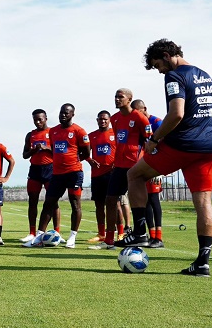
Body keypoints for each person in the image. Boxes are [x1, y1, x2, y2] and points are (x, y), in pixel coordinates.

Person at [126, 39, 212, 277]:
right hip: (209, 146)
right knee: (203, 203)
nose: (159, 71)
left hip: (183, 145)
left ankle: (139, 233)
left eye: (158, 65)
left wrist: (154, 140)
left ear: (167, 56)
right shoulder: (205, 75)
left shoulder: (175, 76)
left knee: (134, 174)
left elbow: (176, 114)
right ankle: (202, 263)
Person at [24, 104, 90, 249]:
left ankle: (72, 237)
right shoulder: (53, 132)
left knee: (75, 203)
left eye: (66, 113)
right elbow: (54, 149)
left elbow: (86, 153)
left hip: (74, 172)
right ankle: (39, 237)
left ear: (73, 114)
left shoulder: (79, 131)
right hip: (57, 173)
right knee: (49, 203)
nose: (63, 115)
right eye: (61, 112)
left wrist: (74, 159)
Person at [103, 89, 151, 250]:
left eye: (120, 97)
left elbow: (149, 140)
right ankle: (109, 239)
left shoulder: (139, 117)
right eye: (115, 96)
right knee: (110, 199)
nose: (117, 99)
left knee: (138, 200)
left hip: (135, 166)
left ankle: (143, 233)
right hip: (119, 165)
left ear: (129, 99)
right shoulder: (115, 119)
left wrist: (148, 162)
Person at [131, 98, 165, 247]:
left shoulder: (157, 122)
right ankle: (150, 236)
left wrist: (160, 169)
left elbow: (166, 142)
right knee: (144, 202)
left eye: (138, 112)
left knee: (154, 199)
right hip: (143, 165)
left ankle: (158, 237)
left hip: (156, 166)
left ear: (144, 108)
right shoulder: (138, 124)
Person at [21, 109, 53, 243]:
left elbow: (60, 151)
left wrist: (47, 148)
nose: (38, 122)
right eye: (35, 120)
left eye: (40, 119)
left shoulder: (53, 133)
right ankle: (32, 232)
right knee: (32, 201)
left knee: (52, 202)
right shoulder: (30, 135)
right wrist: (33, 150)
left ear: (46, 118)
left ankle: (56, 231)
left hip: (50, 168)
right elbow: (24, 155)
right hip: (35, 170)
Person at [86, 111, 115, 244]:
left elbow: (122, 150)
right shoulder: (91, 136)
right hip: (97, 174)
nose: (102, 121)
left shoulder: (115, 134)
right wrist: (90, 160)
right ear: (97, 120)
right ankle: (101, 233)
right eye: (100, 119)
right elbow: (84, 152)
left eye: (105, 119)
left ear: (109, 120)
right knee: (99, 205)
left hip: (112, 173)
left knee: (115, 204)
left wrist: (117, 163)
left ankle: (119, 233)